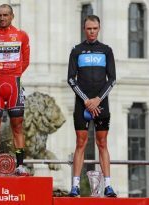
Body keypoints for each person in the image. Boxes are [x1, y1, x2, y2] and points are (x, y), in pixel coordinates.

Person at [67, 15, 117, 197]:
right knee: (80, 143)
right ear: (84, 29)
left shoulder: (106, 50)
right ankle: (75, 186)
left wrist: (97, 99)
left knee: (102, 143)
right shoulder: (76, 51)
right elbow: (71, 79)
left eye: (95, 28)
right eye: (89, 29)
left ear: (99, 28)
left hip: (101, 104)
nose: (92, 32)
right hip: (82, 105)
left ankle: (108, 186)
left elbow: (112, 79)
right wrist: (87, 101)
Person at [0, 4, 30, 176]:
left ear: (12, 16)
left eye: (5, 15)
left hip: (14, 84)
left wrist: (13, 73)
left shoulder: (21, 35)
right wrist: (0, 73)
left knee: (17, 126)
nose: (2, 18)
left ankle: (20, 165)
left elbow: (25, 61)